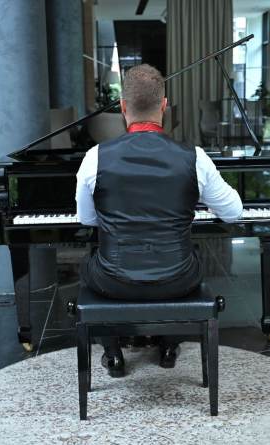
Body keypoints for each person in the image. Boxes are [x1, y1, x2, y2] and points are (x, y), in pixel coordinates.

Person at [75, 64, 242, 377]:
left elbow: (87, 219)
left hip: (114, 280)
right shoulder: (195, 157)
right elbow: (234, 212)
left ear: (122, 106)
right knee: (194, 257)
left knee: (89, 265)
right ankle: (168, 344)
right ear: (165, 106)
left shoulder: (95, 157)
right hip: (178, 279)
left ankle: (113, 352)